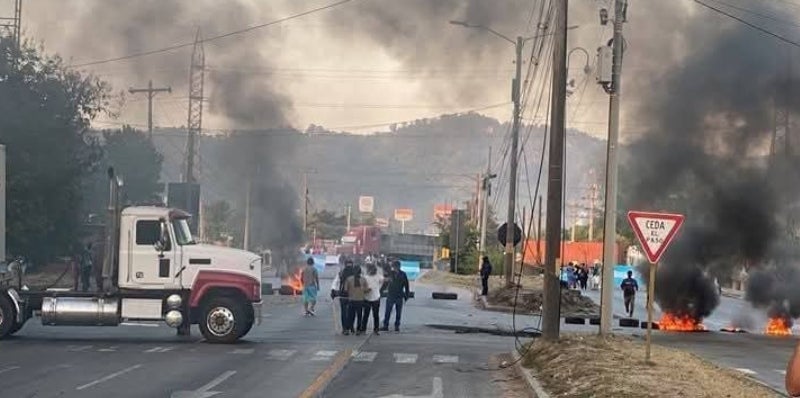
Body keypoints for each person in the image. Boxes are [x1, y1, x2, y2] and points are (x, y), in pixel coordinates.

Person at [382, 260, 410, 332]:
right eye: (393, 267)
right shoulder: (390, 273)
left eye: (395, 267)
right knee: (388, 311)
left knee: (398, 312)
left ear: (398, 267)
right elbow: (385, 283)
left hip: (399, 295)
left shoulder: (403, 274)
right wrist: (381, 291)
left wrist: (407, 295)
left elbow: (406, 285)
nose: (394, 268)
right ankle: (385, 325)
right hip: (391, 294)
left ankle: (397, 326)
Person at [331, 260, 356, 334]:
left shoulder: (341, 273)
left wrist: (333, 291)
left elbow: (335, 282)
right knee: (352, 311)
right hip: (353, 295)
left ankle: (345, 328)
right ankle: (350, 326)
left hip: (343, 295)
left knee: (344, 312)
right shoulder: (355, 272)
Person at [344, 266, 369, 335]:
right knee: (359, 316)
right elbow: (366, 290)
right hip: (360, 300)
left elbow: (346, 290)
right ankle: (358, 330)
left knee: (350, 316)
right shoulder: (363, 279)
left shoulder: (349, 279)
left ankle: (348, 329)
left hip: (351, 300)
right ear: (360, 272)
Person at [361, 263, 385, 335]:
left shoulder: (379, 277)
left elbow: (383, 281)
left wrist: (380, 288)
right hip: (367, 298)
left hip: (376, 298)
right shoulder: (365, 277)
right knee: (366, 314)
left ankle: (376, 329)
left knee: (376, 315)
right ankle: (363, 329)